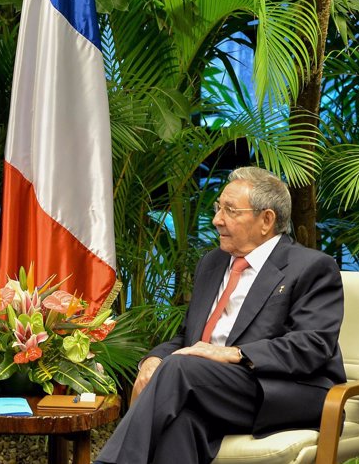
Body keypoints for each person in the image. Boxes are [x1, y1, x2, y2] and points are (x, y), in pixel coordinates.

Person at [95, 166, 346, 464]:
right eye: (218, 208)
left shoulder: (311, 267)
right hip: (210, 387)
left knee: (179, 369)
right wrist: (153, 359)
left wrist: (235, 353)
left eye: (230, 210)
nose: (217, 220)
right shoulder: (212, 263)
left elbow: (312, 346)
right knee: (182, 423)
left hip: (280, 389)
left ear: (266, 220)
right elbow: (187, 337)